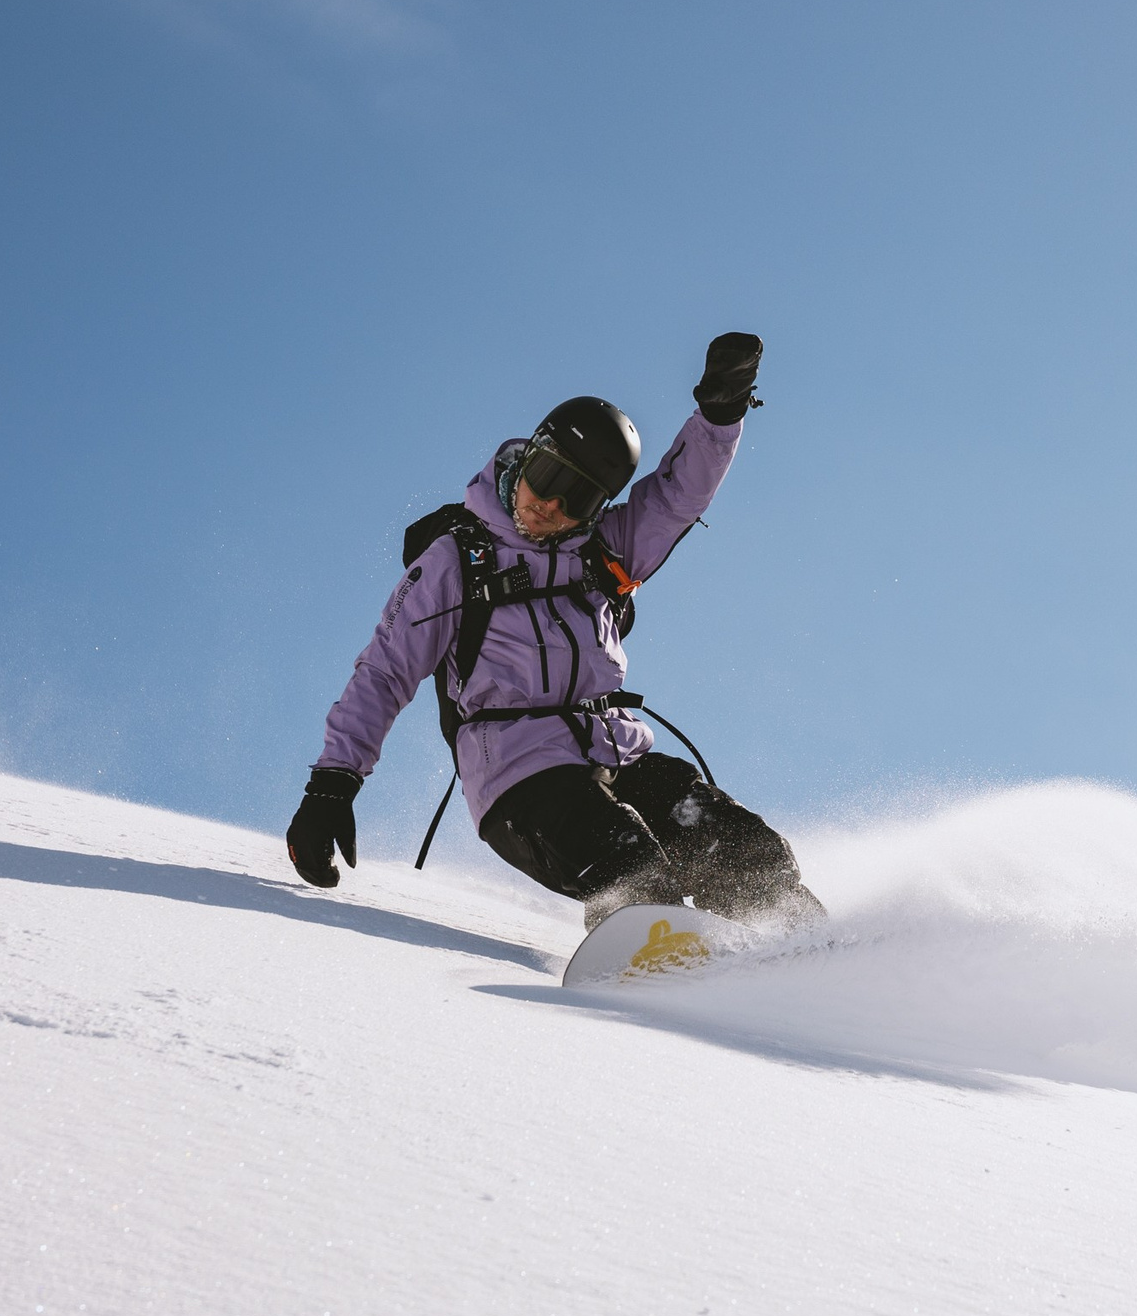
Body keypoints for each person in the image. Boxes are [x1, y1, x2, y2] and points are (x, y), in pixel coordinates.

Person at [284, 333, 822, 933]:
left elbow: (677, 496)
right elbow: (385, 672)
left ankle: (806, 953)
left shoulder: (602, 551)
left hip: (616, 749)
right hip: (520, 773)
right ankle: (656, 962)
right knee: (633, 870)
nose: (550, 505)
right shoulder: (456, 561)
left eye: (578, 498)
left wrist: (720, 415)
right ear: (526, 458)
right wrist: (331, 787)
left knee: (750, 855)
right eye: (545, 477)